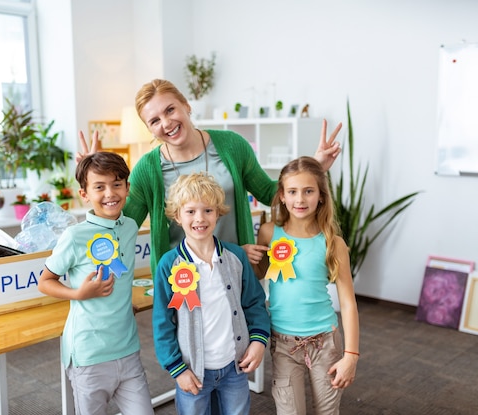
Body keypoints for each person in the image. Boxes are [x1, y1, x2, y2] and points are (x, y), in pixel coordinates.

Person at [77, 79, 342, 273]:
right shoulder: (148, 168)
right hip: (181, 279)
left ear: (186, 105)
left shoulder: (232, 146)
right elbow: (124, 223)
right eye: (154, 121)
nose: (166, 123)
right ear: (149, 129)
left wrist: (314, 168)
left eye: (170, 110)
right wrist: (96, 179)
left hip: (236, 268)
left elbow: (270, 192)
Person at [38, 152, 154, 415]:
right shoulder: (74, 236)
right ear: (84, 194)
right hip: (89, 356)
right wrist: (79, 293)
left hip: (127, 349)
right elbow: (45, 282)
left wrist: (123, 303)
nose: (110, 193)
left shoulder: (130, 226)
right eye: (99, 187)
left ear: (127, 188)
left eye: (116, 184)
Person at [152, 172, 270, 415]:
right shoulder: (168, 264)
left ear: (218, 213)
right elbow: (162, 322)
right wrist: (177, 369)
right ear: (177, 216)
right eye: (191, 211)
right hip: (192, 372)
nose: (200, 218)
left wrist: (259, 341)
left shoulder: (235, 256)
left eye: (208, 210)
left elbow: (255, 302)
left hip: (235, 367)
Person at [253, 156, 359, 415]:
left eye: (308, 191)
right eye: (292, 192)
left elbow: (347, 303)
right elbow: (260, 276)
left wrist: (351, 356)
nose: (300, 200)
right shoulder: (268, 233)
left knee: (327, 412)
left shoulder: (334, 243)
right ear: (282, 196)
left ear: (321, 196)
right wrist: (250, 257)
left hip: (325, 342)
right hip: (284, 345)